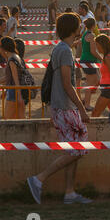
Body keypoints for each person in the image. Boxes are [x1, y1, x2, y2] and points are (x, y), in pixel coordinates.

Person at [27, 13, 92, 205]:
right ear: (73, 29)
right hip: (66, 106)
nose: (81, 28)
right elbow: (66, 83)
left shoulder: (61, 49)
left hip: (61, 106)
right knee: (77, 149)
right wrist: (81, 108)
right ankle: (39, 179)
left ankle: (70, 193)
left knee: (75, 149)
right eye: (79, 25)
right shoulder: (64, 51)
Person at [77, 18, 103, 111]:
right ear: (94, 25)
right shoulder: (91, 35)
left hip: (86, 60)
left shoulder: (85, 33)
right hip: (89, 61)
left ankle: (85, 100)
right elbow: (93, 51)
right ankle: (87, 104)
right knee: (90, 84)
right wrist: (101, 58)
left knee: (96, 80)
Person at [91, 34, 110, 117]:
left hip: (109, 90)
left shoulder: (108, 58)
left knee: (95, 113)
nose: (96, 48)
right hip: (107, 88)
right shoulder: (107, 57)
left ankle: (91, 130)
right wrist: (96, 86)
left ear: (102, 45)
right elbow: (105, 76)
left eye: (97, 45)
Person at [1, 37, 26, 119]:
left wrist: (19, 96)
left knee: (7, 119)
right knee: (20, 118)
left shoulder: (11, 60)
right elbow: (10, 77)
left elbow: (15, 79)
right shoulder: (17, 57)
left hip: (13, 92)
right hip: (17, 91)